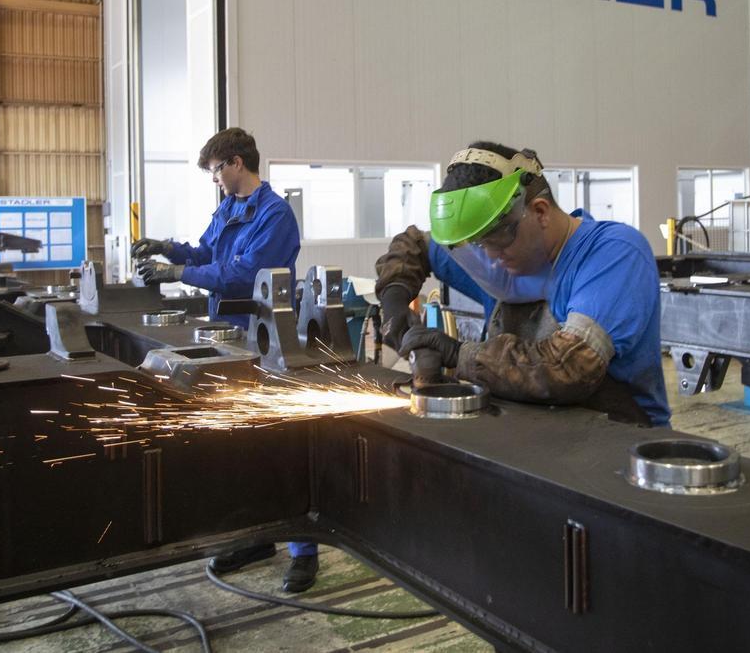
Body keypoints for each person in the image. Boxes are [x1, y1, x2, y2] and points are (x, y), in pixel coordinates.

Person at [131, 127, 319, 593]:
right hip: (229, 340)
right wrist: (166, 249)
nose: (214, 179)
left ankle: (303, 550)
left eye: (216, 170)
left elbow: (241, 275)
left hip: (266, 341)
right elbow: (206, 252)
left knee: (280, 444)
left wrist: (180, 273)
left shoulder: (275, 215)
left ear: (237, 163)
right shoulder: (230, 209)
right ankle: (254, 537)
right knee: (237, 443)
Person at [375, 141, 670, 427]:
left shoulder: (613, 253)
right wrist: (394, 300)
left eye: (498, 239)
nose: (490, 255)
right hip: (532, 435)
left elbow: (570, 367)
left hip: (618, 442)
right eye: (479, 243)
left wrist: (458, 355)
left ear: (539, 211)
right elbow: (415, 244)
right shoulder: (499, 258)